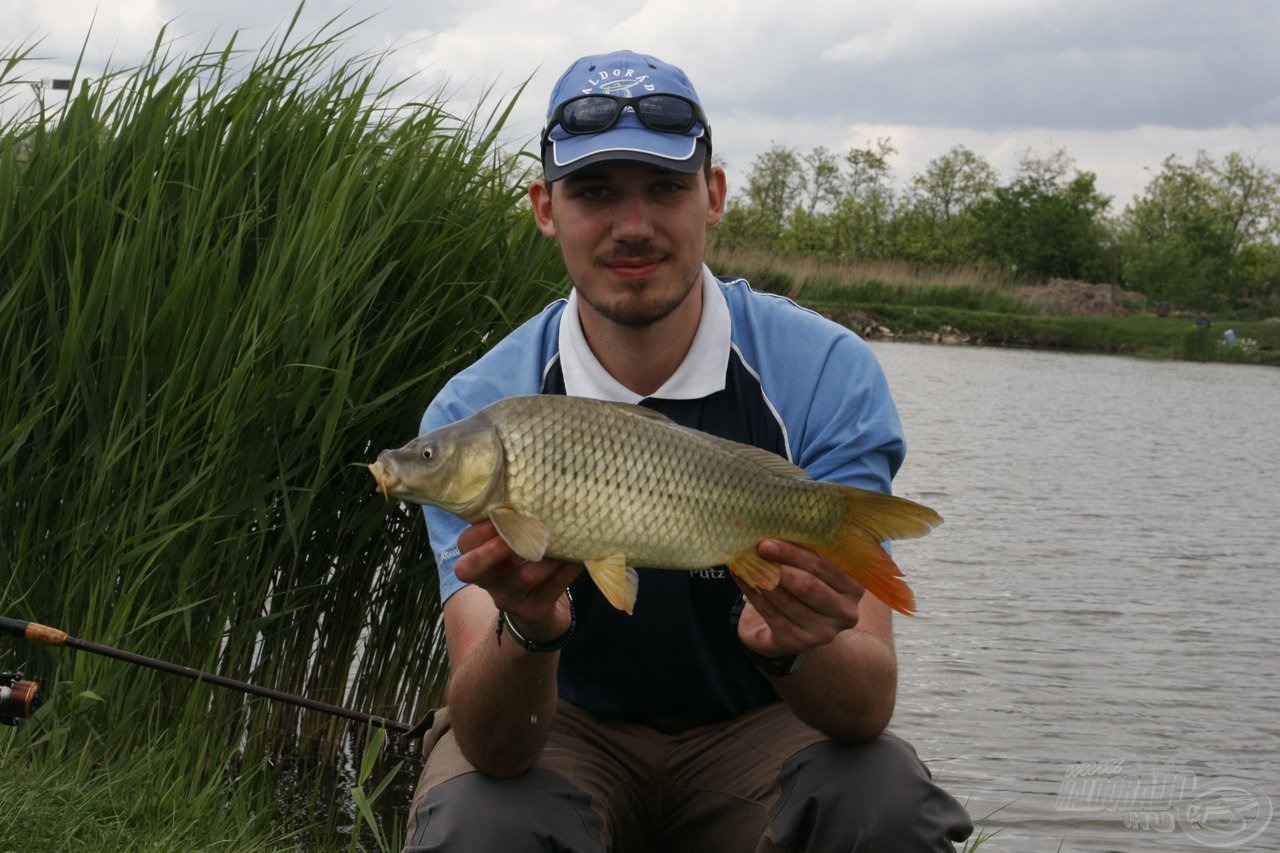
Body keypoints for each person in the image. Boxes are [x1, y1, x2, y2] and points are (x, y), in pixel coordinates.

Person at [403, 49, 973, 852]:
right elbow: (496, 747)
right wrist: (529, 626)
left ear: (713, 196)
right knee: (479, 820)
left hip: (762, 729)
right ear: (544, 206)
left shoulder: (824, 371)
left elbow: (864, 707)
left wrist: (794, 647)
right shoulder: (477, 417)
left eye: (665, 188)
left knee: (880, 798)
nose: (631, 227)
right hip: (565, 730)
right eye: (595, 193)